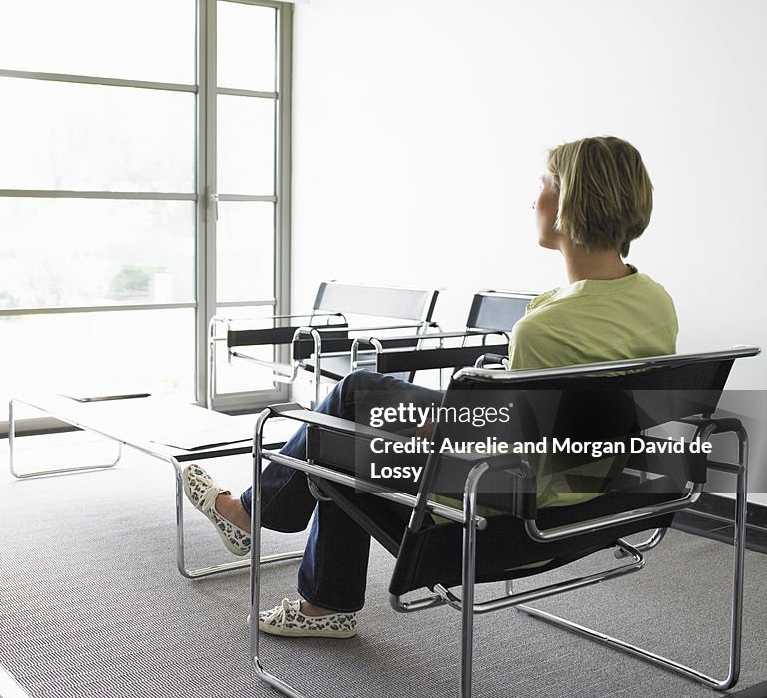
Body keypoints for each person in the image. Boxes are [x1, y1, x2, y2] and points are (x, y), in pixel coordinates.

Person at [184, 136, 678, 639]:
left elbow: (502, 454)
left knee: (338, 427)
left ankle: (264, 532)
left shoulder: (546, 329)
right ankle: (293, 567)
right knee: (353, 405)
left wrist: (429, 434)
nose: (535, 199)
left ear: (572, 201)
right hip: (603, 490)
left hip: (515, 506)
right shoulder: (654, 301)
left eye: (544, 184)